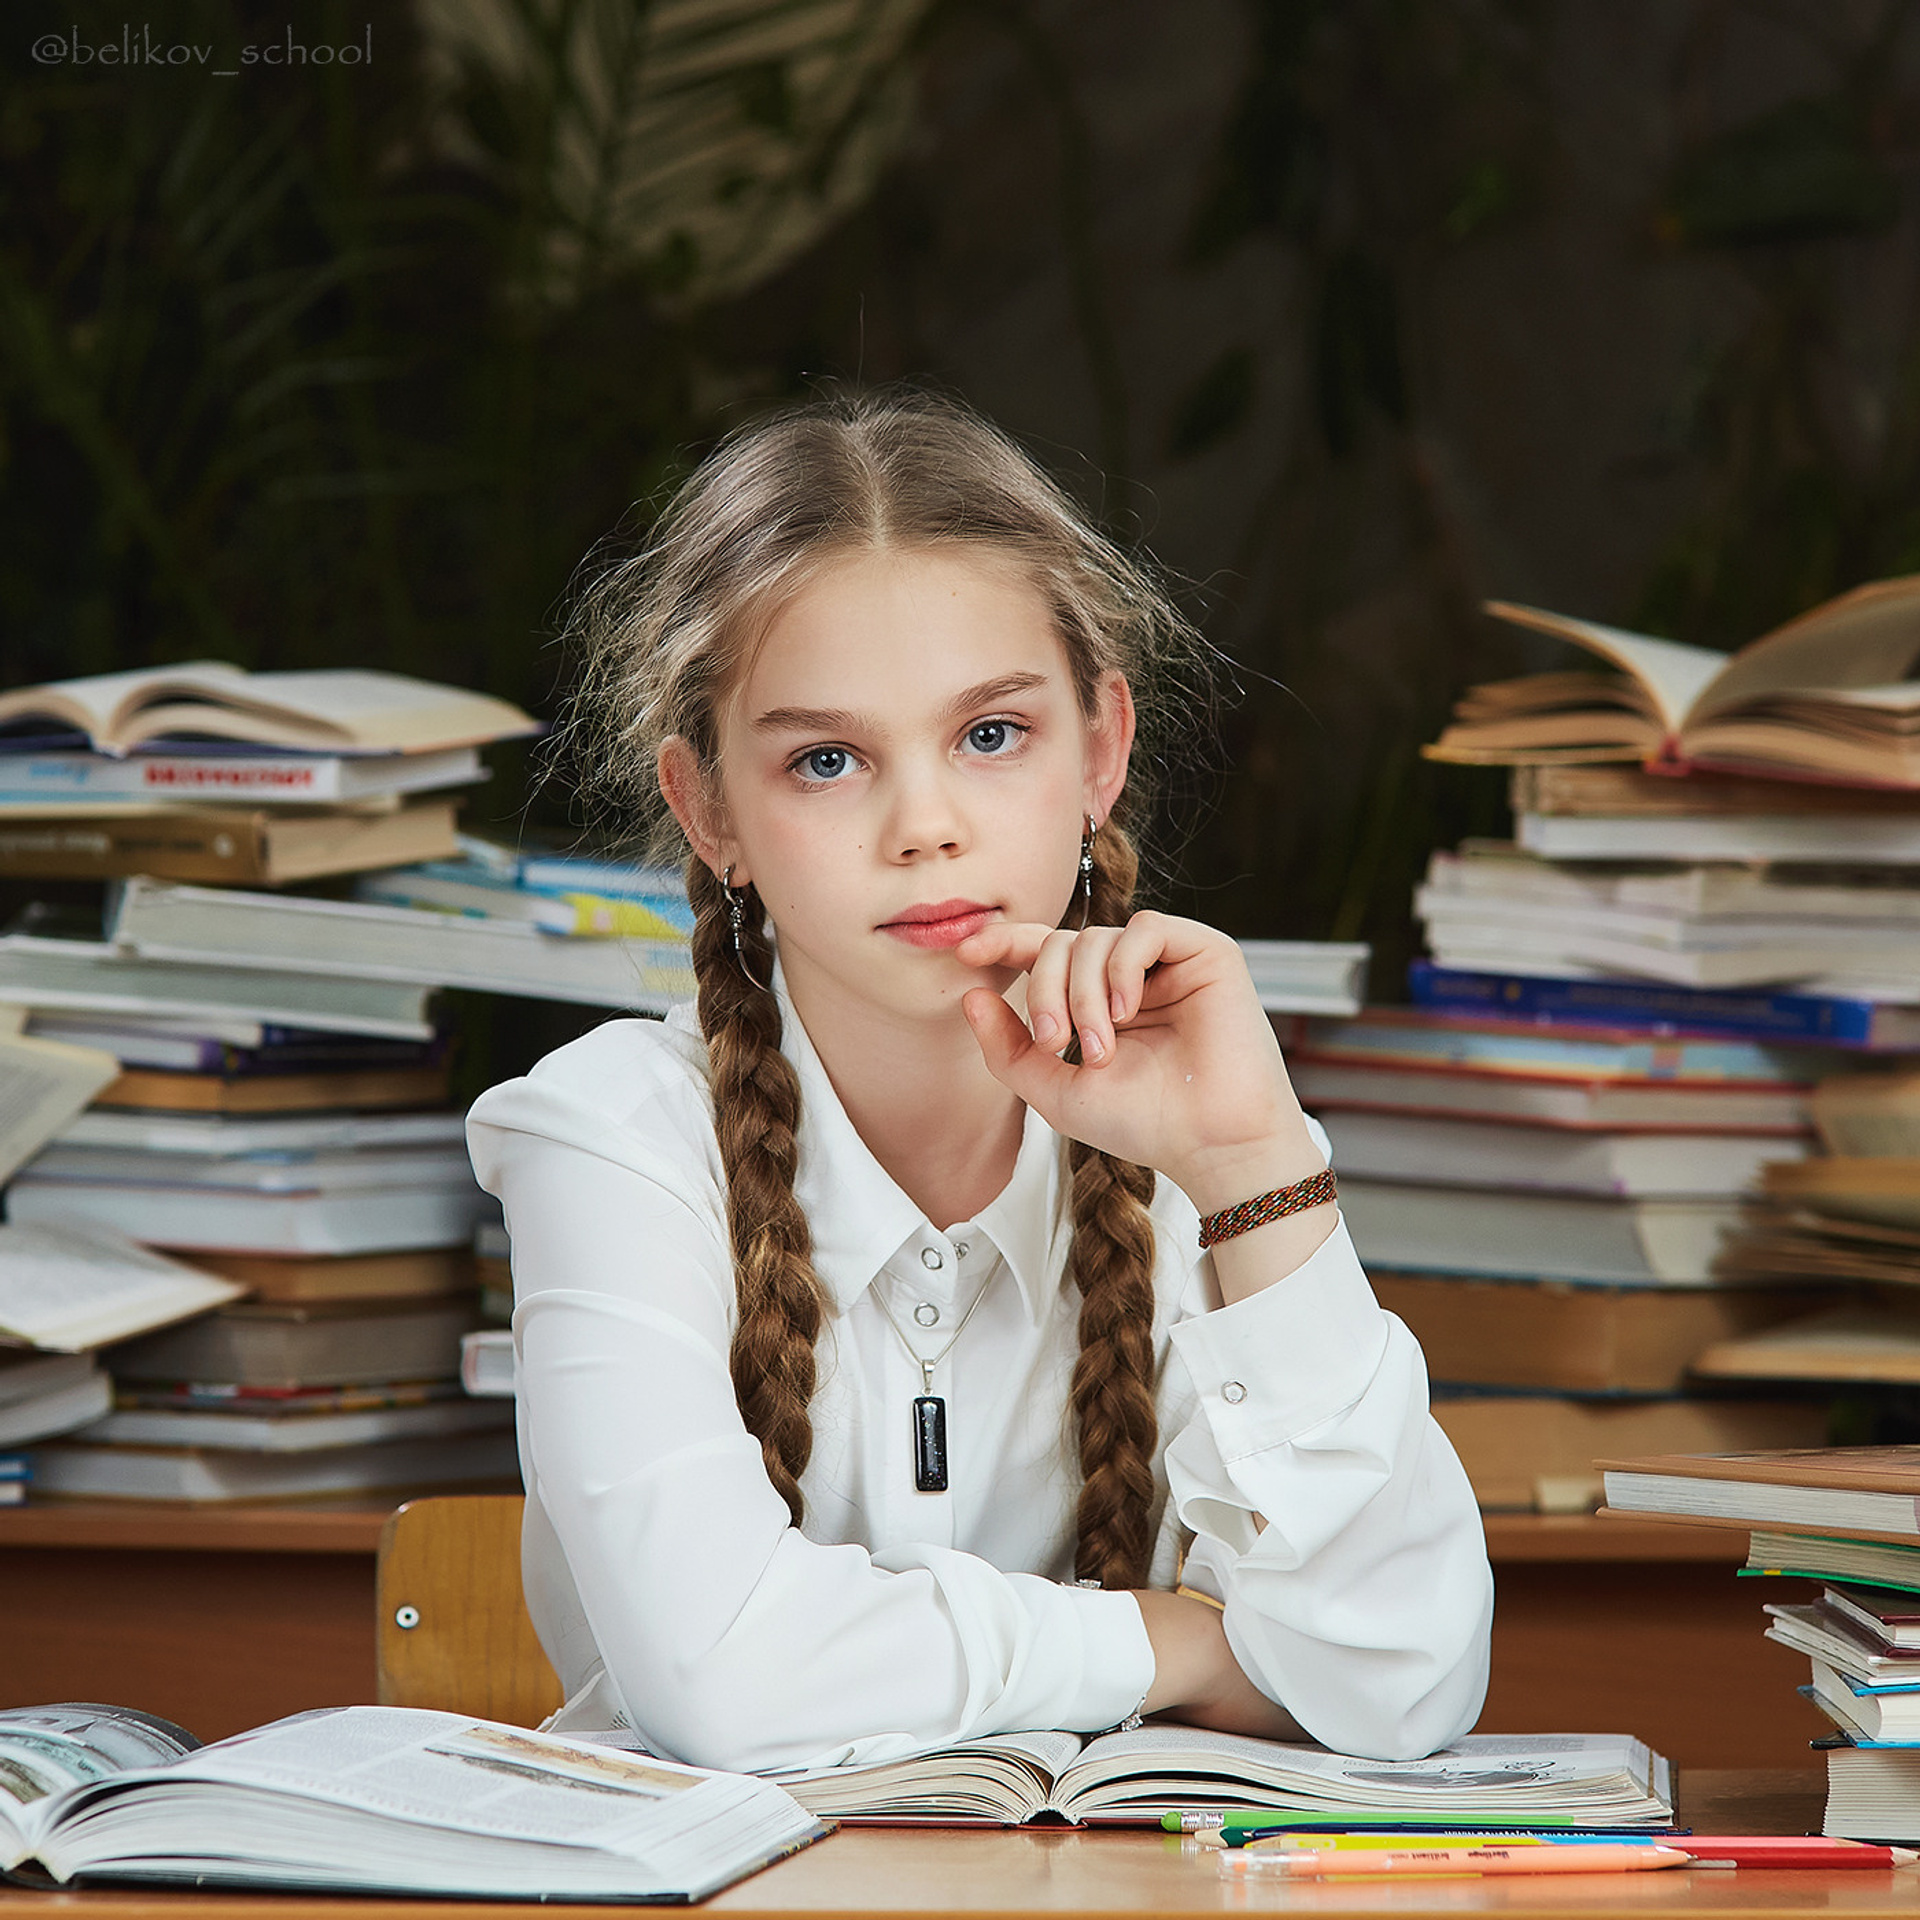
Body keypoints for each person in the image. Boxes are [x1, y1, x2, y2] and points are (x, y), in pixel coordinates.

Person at [466, 389, 1493, 1776]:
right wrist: (1181, 1646)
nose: (926, 826)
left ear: (1102, 750)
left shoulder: (1197, 1131)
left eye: (991, 735)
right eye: (827, 760)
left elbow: (1408, 1681)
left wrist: (1254, 1169)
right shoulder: (611, 1136)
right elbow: (724, 1677)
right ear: (711, 811)